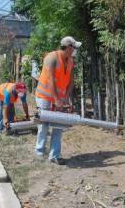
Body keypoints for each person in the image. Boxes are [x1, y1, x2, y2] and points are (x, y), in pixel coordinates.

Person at [34, 36, 81, 165]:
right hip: (44, 96)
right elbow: (50, 80)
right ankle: (39, 151)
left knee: (59, 125)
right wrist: (56, 99)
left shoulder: (71, 61)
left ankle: (54, 155)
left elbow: (71, 82)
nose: (75, 50)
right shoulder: (52, 57)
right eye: (74, 47)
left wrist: (65, 98)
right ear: (68, 47)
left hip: (59, 98)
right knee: (44, 125)